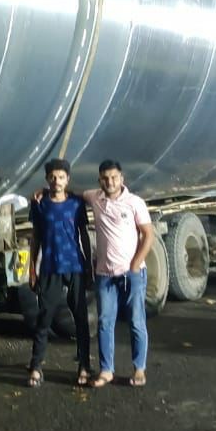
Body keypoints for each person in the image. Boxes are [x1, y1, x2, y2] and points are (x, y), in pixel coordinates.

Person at [79, 160, 154, 388]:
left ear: (122, 178)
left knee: (136, 321)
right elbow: (71, 193)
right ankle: (106, 370)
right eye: (105, 178)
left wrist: (136, 264)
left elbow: (148, 234)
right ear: (99, 180)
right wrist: (43, 192)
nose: (110, 182)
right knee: (105, 322)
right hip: (105, 274)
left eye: (114, 177)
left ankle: (139, 369)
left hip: (131, 273)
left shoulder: (134, 202)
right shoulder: (95, 198)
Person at [26, 158, 92, 388]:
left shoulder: (76, 203)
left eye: (61, 177)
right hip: (50, 267)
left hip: (75, 266)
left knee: (80, 318)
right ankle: (36, 366)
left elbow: (84, 235)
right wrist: (32, 269)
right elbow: (36, 237)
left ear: (68, 179)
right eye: (52, 177)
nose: (57, 181)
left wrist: (88, 266)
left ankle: (84, 365)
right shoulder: (39, 204)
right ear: (47, 179)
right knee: (44, 318)